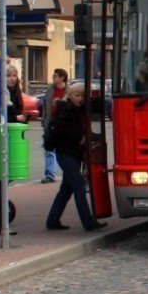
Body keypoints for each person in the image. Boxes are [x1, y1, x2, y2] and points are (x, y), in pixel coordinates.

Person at [43, 80, 106, 232]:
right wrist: (80, 137)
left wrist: (93, 137)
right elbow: (60, 132)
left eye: (83, 96)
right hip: (65, 152)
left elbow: (86, 127)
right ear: (70, 95)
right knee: (79, 186)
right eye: (77, 95)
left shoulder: (80, 110)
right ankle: (88, 222)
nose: (80, 99)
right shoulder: (64, 109)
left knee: (66, 189)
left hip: (74, 153)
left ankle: (52, 220)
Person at [41, 68, 69, 183]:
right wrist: (44, 121)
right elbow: (45, 107)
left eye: (55, 76)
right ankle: (50, 174)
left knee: (64, 150)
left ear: (62, 78)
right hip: (50, 122)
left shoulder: (69, 91)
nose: (53, 77)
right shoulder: (50, 90)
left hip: (63, 123)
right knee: (49, 149)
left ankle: (68, 174)